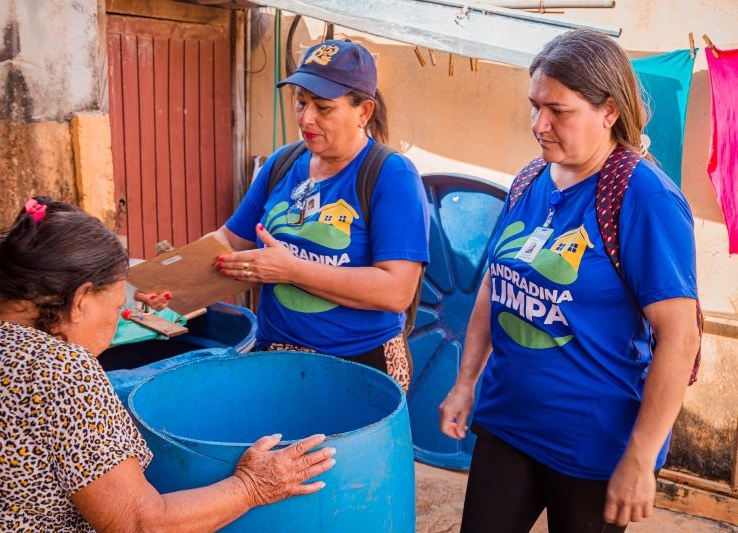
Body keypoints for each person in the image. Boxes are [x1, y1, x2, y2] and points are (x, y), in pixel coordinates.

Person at [0, 197, 335, 531]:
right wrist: (252, 487)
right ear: (79, 300)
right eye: (114, 308)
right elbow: (141, 523)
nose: (113, 328)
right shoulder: (60, 370)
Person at [439, 29, 700, 532]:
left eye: (559, 110)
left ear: (610, 111)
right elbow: (495, 286)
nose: (540, 124)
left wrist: (640, 458)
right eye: (534, 105)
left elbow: (679, 335)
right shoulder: (528, 180)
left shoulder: (644, 198)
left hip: (594, 448)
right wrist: (466, 381)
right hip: (508, 423)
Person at [211, 39, 429, 391]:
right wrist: (171, 283)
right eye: (301, 102)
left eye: (323, 107)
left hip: (359, 364)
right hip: (277, 357)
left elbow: (396, 290)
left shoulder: (392, 176)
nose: (305, 118)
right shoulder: (282, 164)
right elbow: (229, 241)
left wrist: (292, 270)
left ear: (364, 112)